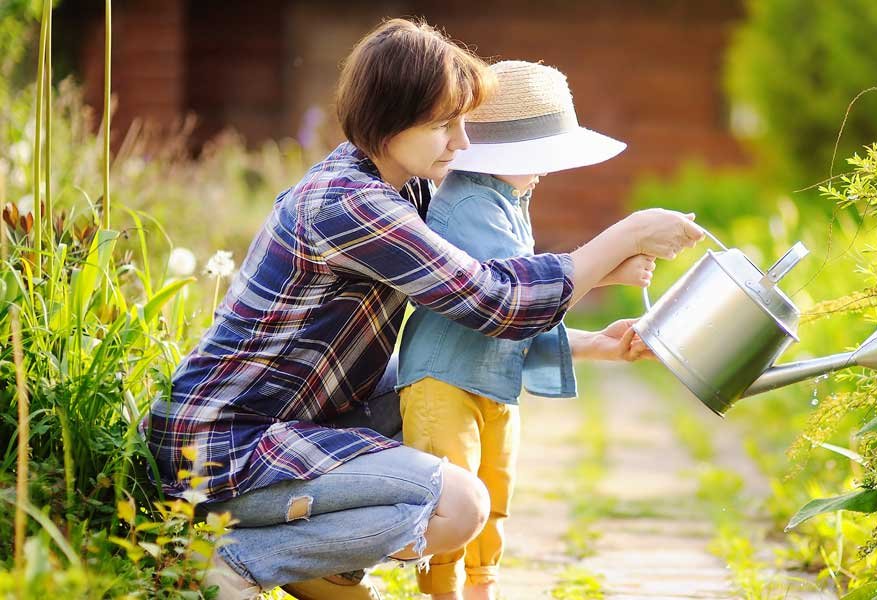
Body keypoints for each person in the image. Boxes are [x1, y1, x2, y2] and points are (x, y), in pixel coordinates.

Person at [140, 19, 703, 600]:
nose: (462, 143)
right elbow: (493, 300)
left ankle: (308, 567)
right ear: (389, 122)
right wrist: (627, 233)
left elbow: (460, 321)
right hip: (221, 448)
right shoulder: (351, 206)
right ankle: (230, 559)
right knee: (459, 506)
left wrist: (591, 342)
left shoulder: (405, 187)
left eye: (463, 123)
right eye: (443, 125)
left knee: (431, 387)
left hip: (293, 421)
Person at [393, 60, 653, 600]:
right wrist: (608, 263)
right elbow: (514, 301)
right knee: (451, 490)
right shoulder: (465, 202)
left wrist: (601, 344)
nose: (544, 172)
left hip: (490, 378)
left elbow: (522, 317)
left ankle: (483, 586)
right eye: (538, 159)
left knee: (495, 490)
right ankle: (441, 591)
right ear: (503, 154)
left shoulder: (506, 202)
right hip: (444, 378)